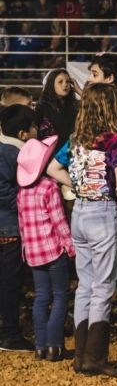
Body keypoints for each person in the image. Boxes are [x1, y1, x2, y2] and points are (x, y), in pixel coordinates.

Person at [57, 84, 117, 376]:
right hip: (103, 210)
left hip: (81, 212)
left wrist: (76, 185)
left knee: (85, 284)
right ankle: (95, 358)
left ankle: (81, 356)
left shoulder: (75, 139)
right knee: (104, 285)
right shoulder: (112, 140)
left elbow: (51, 167)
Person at [16, 134, 73, 361]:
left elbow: (22, 224)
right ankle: (55, 345)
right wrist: (70, 245)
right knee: (60, 295)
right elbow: (59, 221)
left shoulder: (22, 193)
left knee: (41, 297)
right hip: (53, 250)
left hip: (33, 252)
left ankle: (40, 346)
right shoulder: (49, 187)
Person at [0, 106, 38, 353]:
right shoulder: (15, 153)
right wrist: (24, 203)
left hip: (7, 226)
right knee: (10, 283)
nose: (38, 131)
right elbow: (3, 189)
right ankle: (10, 335)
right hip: (10, 228)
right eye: (35, 127)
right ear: (24, 133)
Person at [35, 69, 78, 151]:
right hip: (49, 152)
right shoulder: (42, 105)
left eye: (68, 82)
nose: (65, 85)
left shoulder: (73, 105)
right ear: (51, 84)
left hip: (69, 150)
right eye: (60, 82)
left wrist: (78, 90)